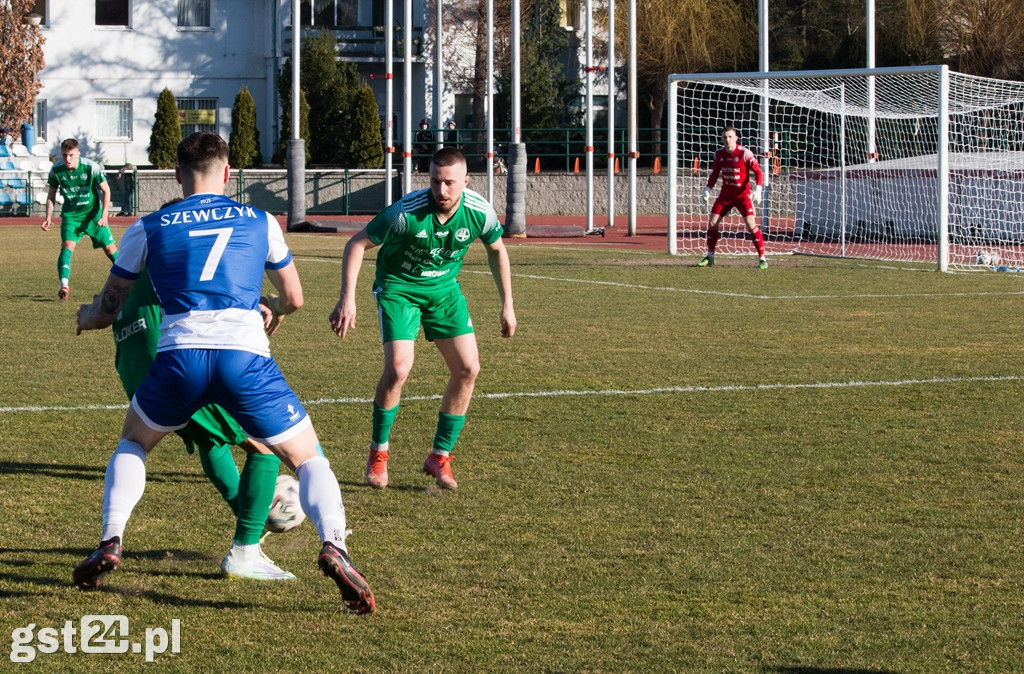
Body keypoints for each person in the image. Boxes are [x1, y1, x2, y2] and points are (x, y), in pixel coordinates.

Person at [73, 132, 375, 615]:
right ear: (229, 173)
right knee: (307, 456)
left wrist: (87, 316)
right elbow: (295, 299)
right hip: (243, 355)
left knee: (134, 443)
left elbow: (110, 307)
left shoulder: (149, 226)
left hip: (179, 357)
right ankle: (335, 544)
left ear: (175, 175)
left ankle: (110, 540)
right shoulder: (260, 221)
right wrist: (271, 307)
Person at [112, 199, 292, 581]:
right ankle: (247, 546)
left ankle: (251, 523)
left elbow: (113, 304)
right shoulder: (180, 259)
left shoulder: (144, 256)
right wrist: (256, 308)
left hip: (135, 368)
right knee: (265, 447)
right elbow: (207, 300)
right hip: (178, 361)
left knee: (213, 441)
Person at [329, 147, 517, 491]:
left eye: (449, 183)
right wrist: (347, 299)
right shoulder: (405, 213)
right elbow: (356, 244)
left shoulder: (480, 212)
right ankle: (378, 453)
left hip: (444, 292)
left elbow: (497, 250)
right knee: (399, 368)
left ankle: (439, 457)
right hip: (399, 288)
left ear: (465, 181)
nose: (441, 191)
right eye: (434, 181)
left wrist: (508, 304)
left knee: (468, 369)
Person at [41, 138, 117, 301]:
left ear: (78, 154)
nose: (67, 159)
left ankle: (132, 280)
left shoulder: (91, 167)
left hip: (94, 215)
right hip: (71, 216)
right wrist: (48, 216)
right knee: (67, 246)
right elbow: (51, 195)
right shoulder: (56, 170)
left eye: (71, 155)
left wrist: (104, 215)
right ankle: (64, 286)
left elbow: (106, 190)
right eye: (64, 155)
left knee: (110, 249)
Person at [698, 126, 767, 269]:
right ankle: (710, 256)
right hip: (726, 195)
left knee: (750, 224)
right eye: (724, 137)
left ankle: (762, 258)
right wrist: (707, 189)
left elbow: (758, 172)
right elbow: (715, 174)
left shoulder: (745, 153)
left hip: (743, 195)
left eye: (730, 136)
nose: (727, 139)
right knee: (712, 223)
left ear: (736, 138)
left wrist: (758, 189)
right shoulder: (718, 154)